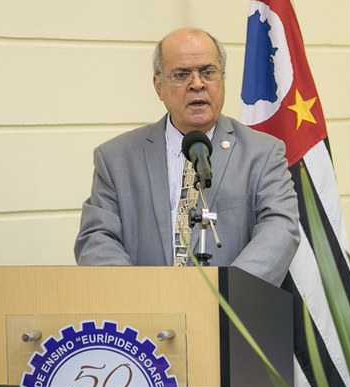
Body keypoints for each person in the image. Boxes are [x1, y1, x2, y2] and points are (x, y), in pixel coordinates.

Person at [74, 28, 300, 286]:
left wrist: (226, 294)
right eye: (182, 74)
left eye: (208, 72)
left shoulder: (263, 153)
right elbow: (96, 238)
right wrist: (141, 295)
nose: (197, 84)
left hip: (231, 306)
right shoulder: (116, 159)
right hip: (147, 307)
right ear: (159, 86)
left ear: (222, 79)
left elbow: (280, 229)